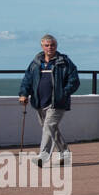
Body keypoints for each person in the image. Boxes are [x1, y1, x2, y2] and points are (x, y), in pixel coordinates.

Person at [18, 34, 81, 166]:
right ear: (42, 46)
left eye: (52, 45)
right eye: (47, 45)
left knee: (49, 126)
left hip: (57, 102)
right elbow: (27, 80)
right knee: (51, 129)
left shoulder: (64, 62)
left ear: (56, 46)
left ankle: (43, 156)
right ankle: (65, 154)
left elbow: (74, 81)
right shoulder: (36, 63)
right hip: (39, 102)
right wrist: (24, 94)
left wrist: (63, 93)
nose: (50, 47)